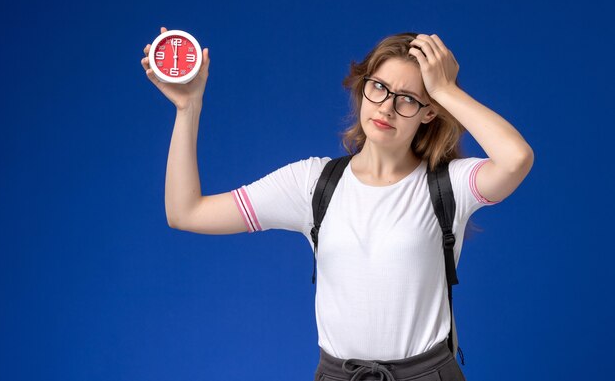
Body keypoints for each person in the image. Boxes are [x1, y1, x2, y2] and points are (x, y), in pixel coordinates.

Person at [141, 27, 534, 381]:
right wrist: (187, 108)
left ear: (429, 112)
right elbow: (185, 212)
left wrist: (447, 89)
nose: (386, 107)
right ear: (363, 86)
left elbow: (516, 159)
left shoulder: (449, 184)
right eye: (378, 87)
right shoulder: (312, 183)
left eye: (408, 99)